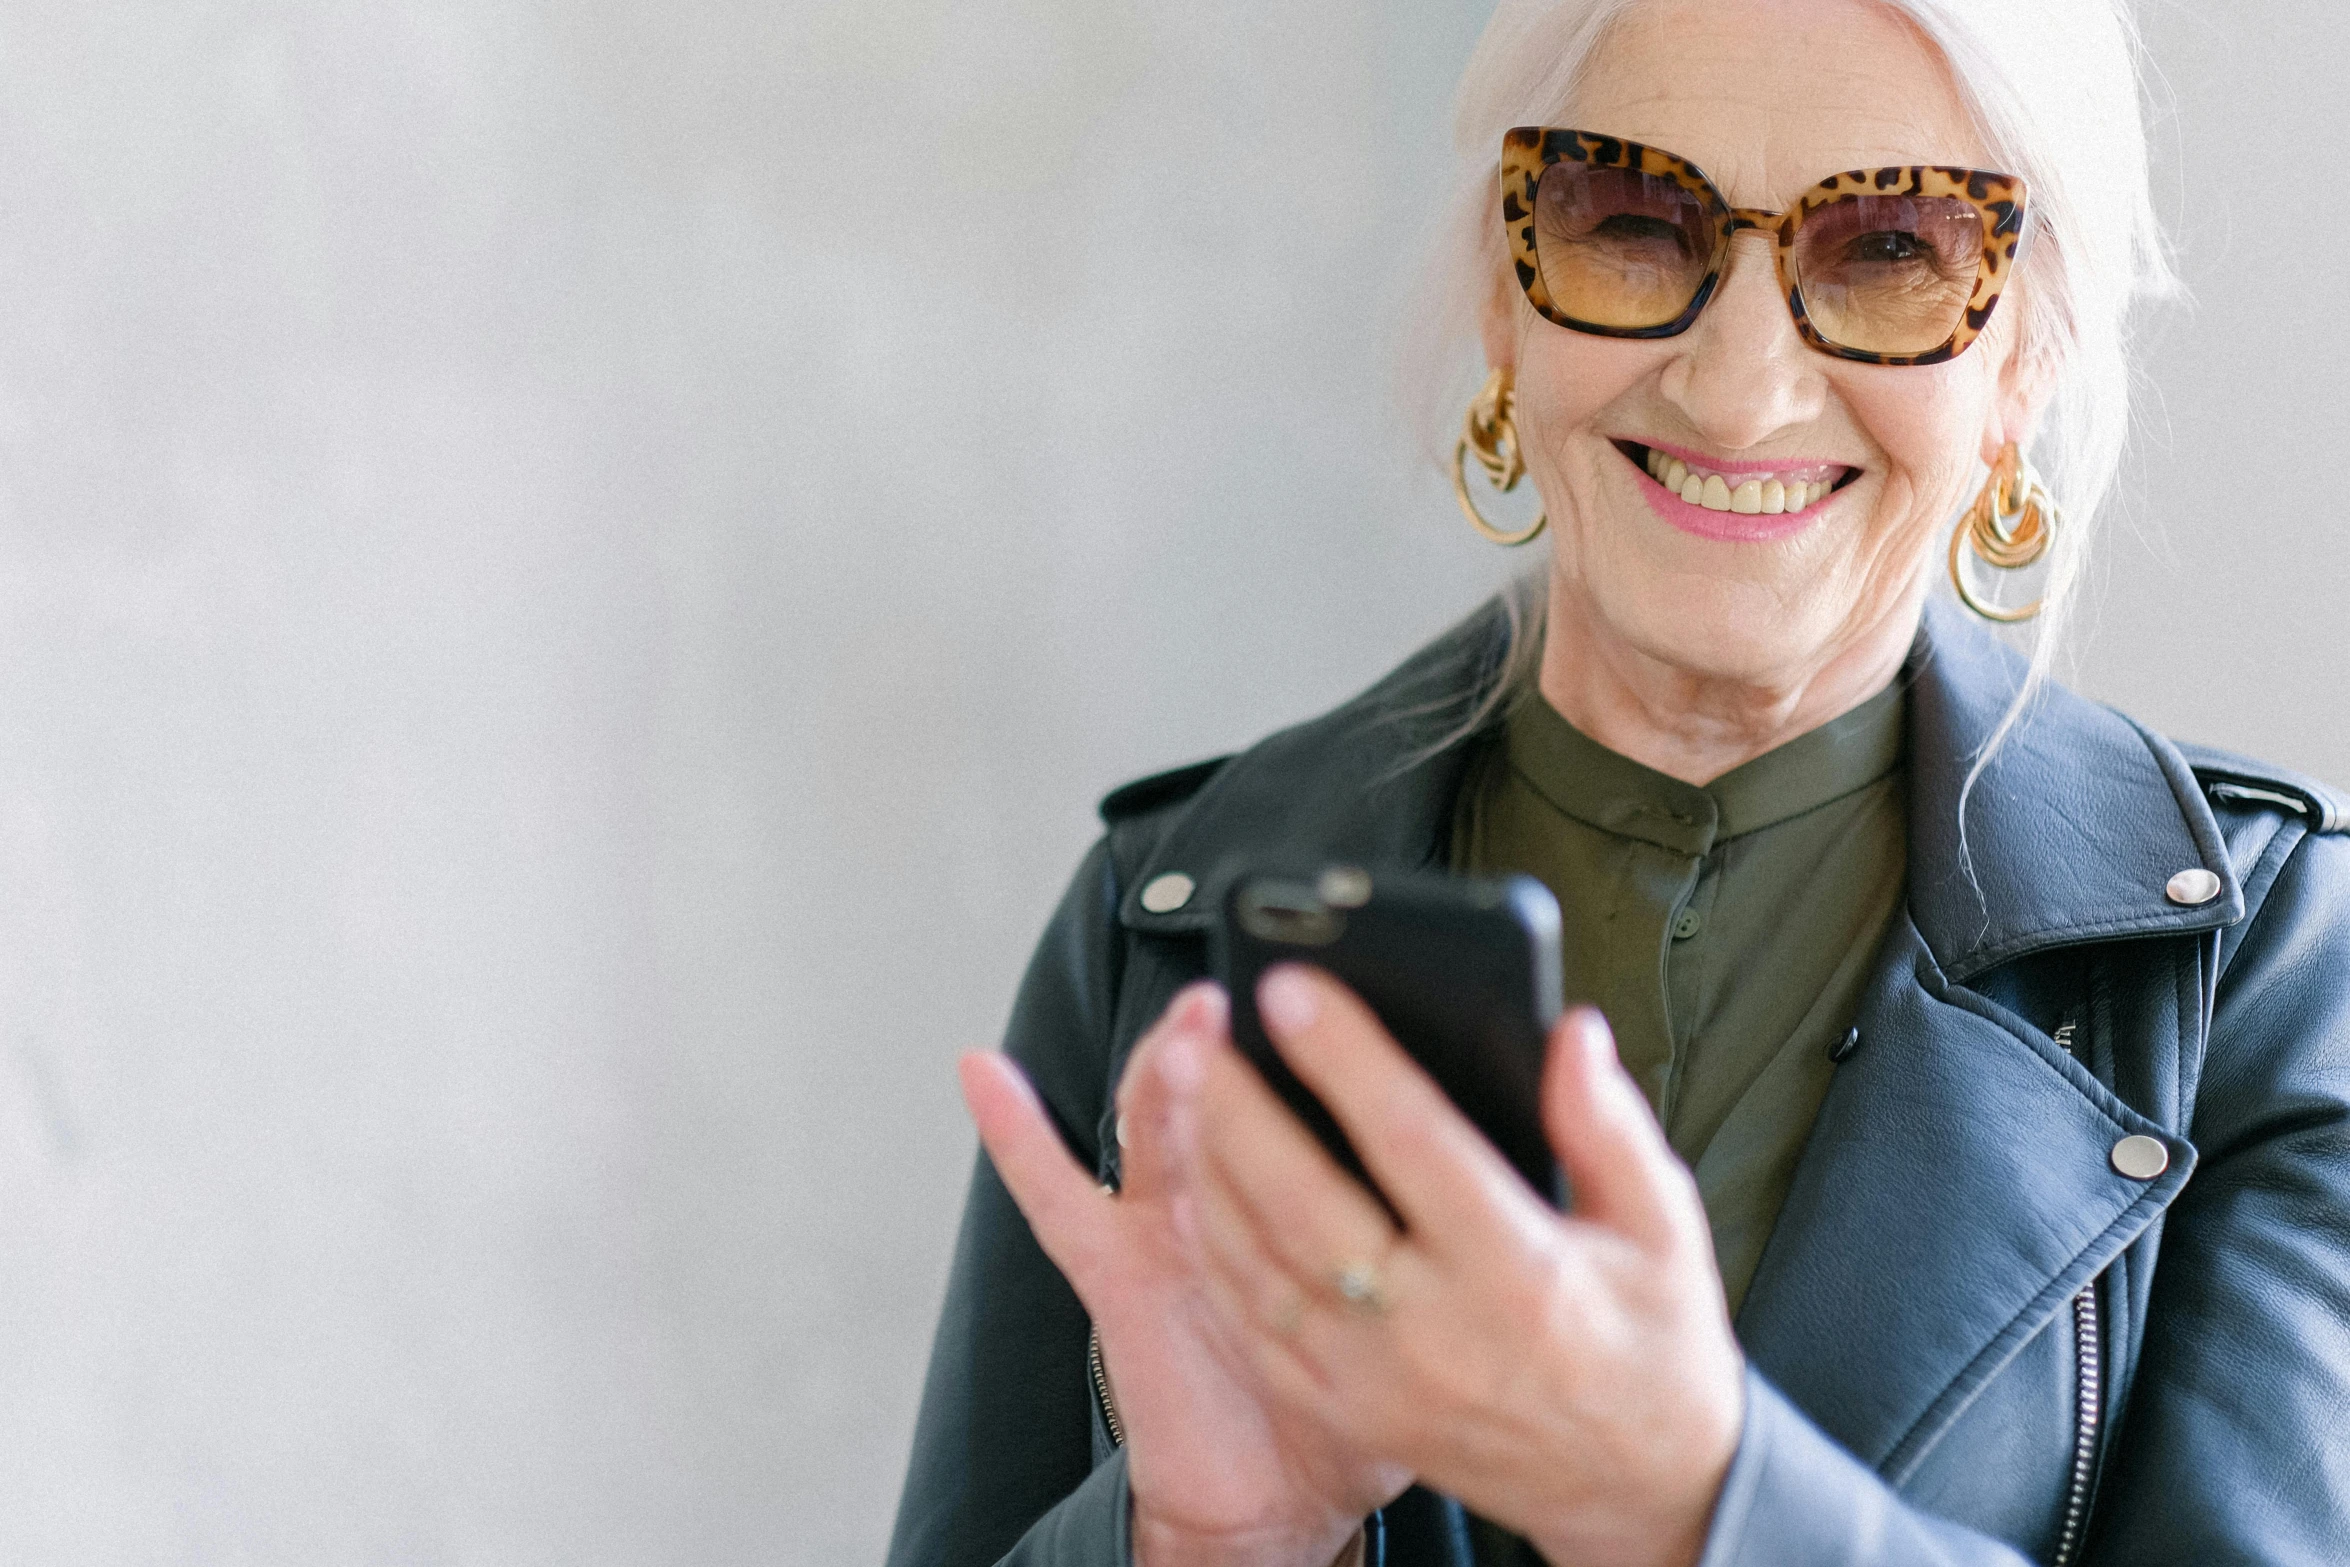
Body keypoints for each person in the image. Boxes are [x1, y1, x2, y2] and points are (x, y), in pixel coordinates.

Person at [887, 0, 2350, 1562]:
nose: (1736, 389)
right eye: (1629, 219)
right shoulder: (1162, 915)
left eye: (1891, 249)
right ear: (1504, 298)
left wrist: (1690, 1496)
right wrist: (1195, 1533)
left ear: (2022, 360)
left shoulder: (2263, 968)